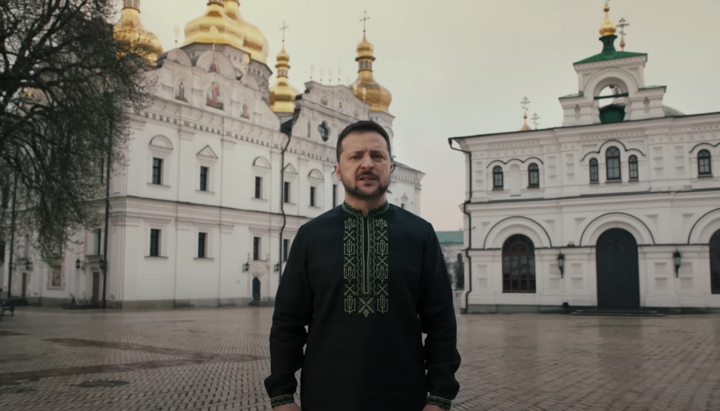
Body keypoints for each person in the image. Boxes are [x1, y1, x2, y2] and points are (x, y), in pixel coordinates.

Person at [265, 120, 461, 410]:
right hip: (326, 397)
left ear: (390, 167)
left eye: (377, 156)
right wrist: (281, 396)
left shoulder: (420, 234)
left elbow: (441, 321)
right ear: (338, 169)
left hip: (403, 397)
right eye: (355, 156)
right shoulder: (311, 236)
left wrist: (440, 397)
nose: (367, 163)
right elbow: (287, 322)